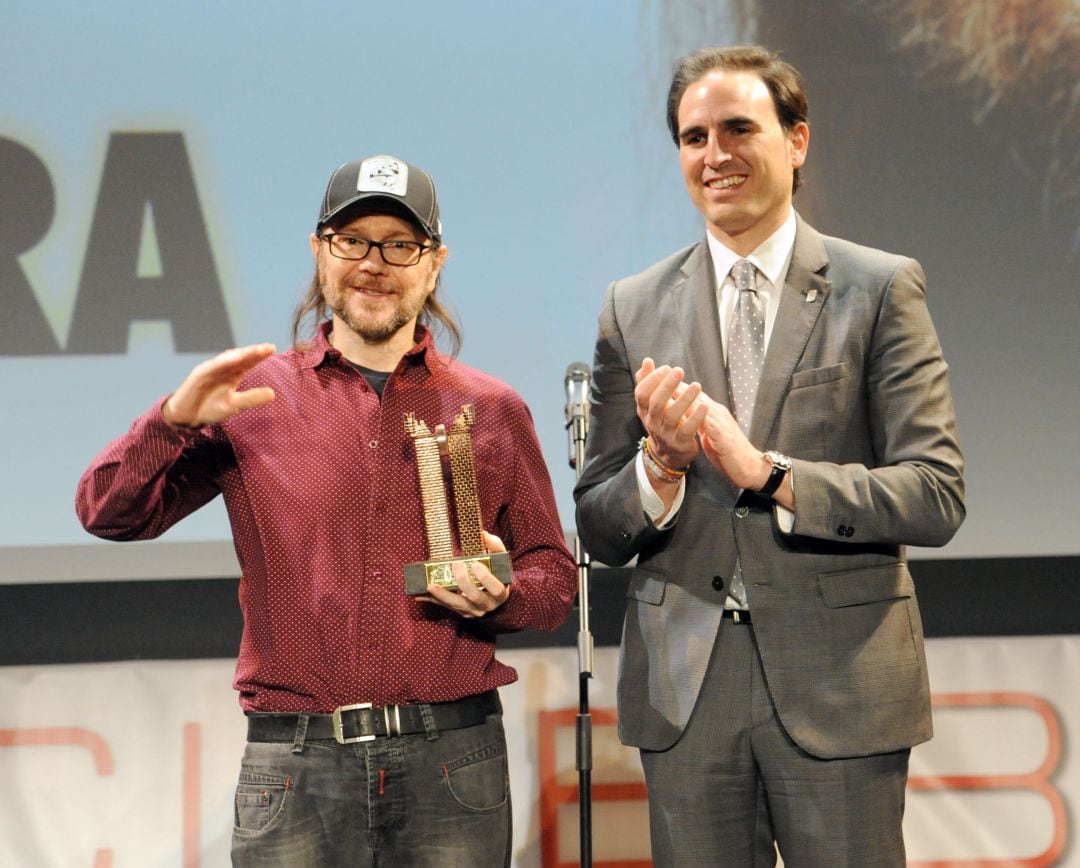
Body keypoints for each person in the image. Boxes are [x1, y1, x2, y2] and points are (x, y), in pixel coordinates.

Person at [76, 154, 578, 867]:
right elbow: (106, 511)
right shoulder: (248, 400)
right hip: (295, 766)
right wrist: (173, 418)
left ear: (434, 264)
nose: (374, 262)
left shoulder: (491, 410)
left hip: (452, 762)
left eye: (399, 244)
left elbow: (554, 580)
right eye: (353, 241)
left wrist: (503, 595)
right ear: (319, 253)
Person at [574, 45, 965, 866]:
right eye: (693, 137)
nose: (714, 156)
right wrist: (661, 470)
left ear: (797, 140)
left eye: (738, 129)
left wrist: (773, 475)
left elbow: (934, 493)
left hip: (839, 681)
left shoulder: (880, 287)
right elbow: (601, 526)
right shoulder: (632, 306)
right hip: (689, 694)